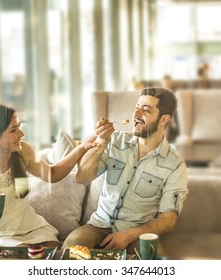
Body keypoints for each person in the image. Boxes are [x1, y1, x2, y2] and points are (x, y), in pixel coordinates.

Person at [62, 87, 188, 254]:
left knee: (153, 259)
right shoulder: (114, 141)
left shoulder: (175, 165)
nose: (136, 114)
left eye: (145, 109)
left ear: (163, 119)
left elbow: (168, 220)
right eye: (137, 107)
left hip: (137, 233)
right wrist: (101, 143)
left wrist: (130, 234)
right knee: (71, 248)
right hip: (97, 226)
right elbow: (82, 177)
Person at [0, 105, 96, 247]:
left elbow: (52, 174)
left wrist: (82, 148)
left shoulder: (23, 152)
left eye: (19, 126)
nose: (21, 134)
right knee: (24, 254)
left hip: (31, 228)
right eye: (13, 130)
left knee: (53, 251)